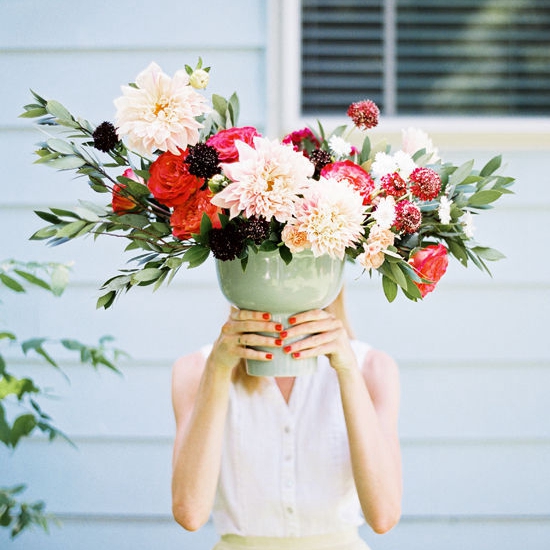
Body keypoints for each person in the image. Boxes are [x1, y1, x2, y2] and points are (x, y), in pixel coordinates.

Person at [171, 289, 402, 550]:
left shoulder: (372, 368)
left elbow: (383, 516)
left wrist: (348, 370)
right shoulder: (196, 369)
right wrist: (219, 367)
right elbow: (190, 513)